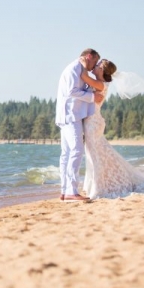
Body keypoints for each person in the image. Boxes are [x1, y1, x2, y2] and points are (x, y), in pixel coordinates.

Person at [79, 59, 144, 199]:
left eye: (97, 64)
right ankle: (97, 185)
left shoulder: (100, 84)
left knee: (96, 156)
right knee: (97, 155)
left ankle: (99, 187)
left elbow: (83, 76)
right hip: (93, 122)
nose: (95, 65)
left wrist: (81, 62)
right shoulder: (101, 83)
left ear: (102, 70)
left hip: (93, 123)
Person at [55, 49, 104, 202]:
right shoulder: (75, 68)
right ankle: (71, 191)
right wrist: (92, 97)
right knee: (76, 150)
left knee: (67, 153)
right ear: (89, 57)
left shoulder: (79, 69)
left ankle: (65, 190)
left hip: (70, 114)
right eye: (95, 62)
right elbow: (71, 91)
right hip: (70, 115)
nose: (94, 65)